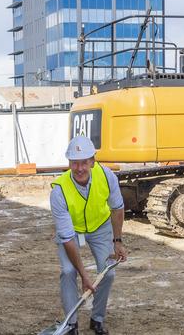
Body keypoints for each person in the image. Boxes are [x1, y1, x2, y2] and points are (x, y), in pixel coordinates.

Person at [49, 135, 127, 335]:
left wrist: (117, 241)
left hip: (100, 227)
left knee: (108, 272)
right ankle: (71, 325)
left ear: (93, 161)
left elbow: (117, 208)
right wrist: (84, 275)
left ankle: (97, 318)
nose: (80, 168)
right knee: (68, 271)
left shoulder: (107, 176)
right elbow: (66, 238)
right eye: (75, 163)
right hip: (72, 232)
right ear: (69, 163)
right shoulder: (59, 191)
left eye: (84, 162)